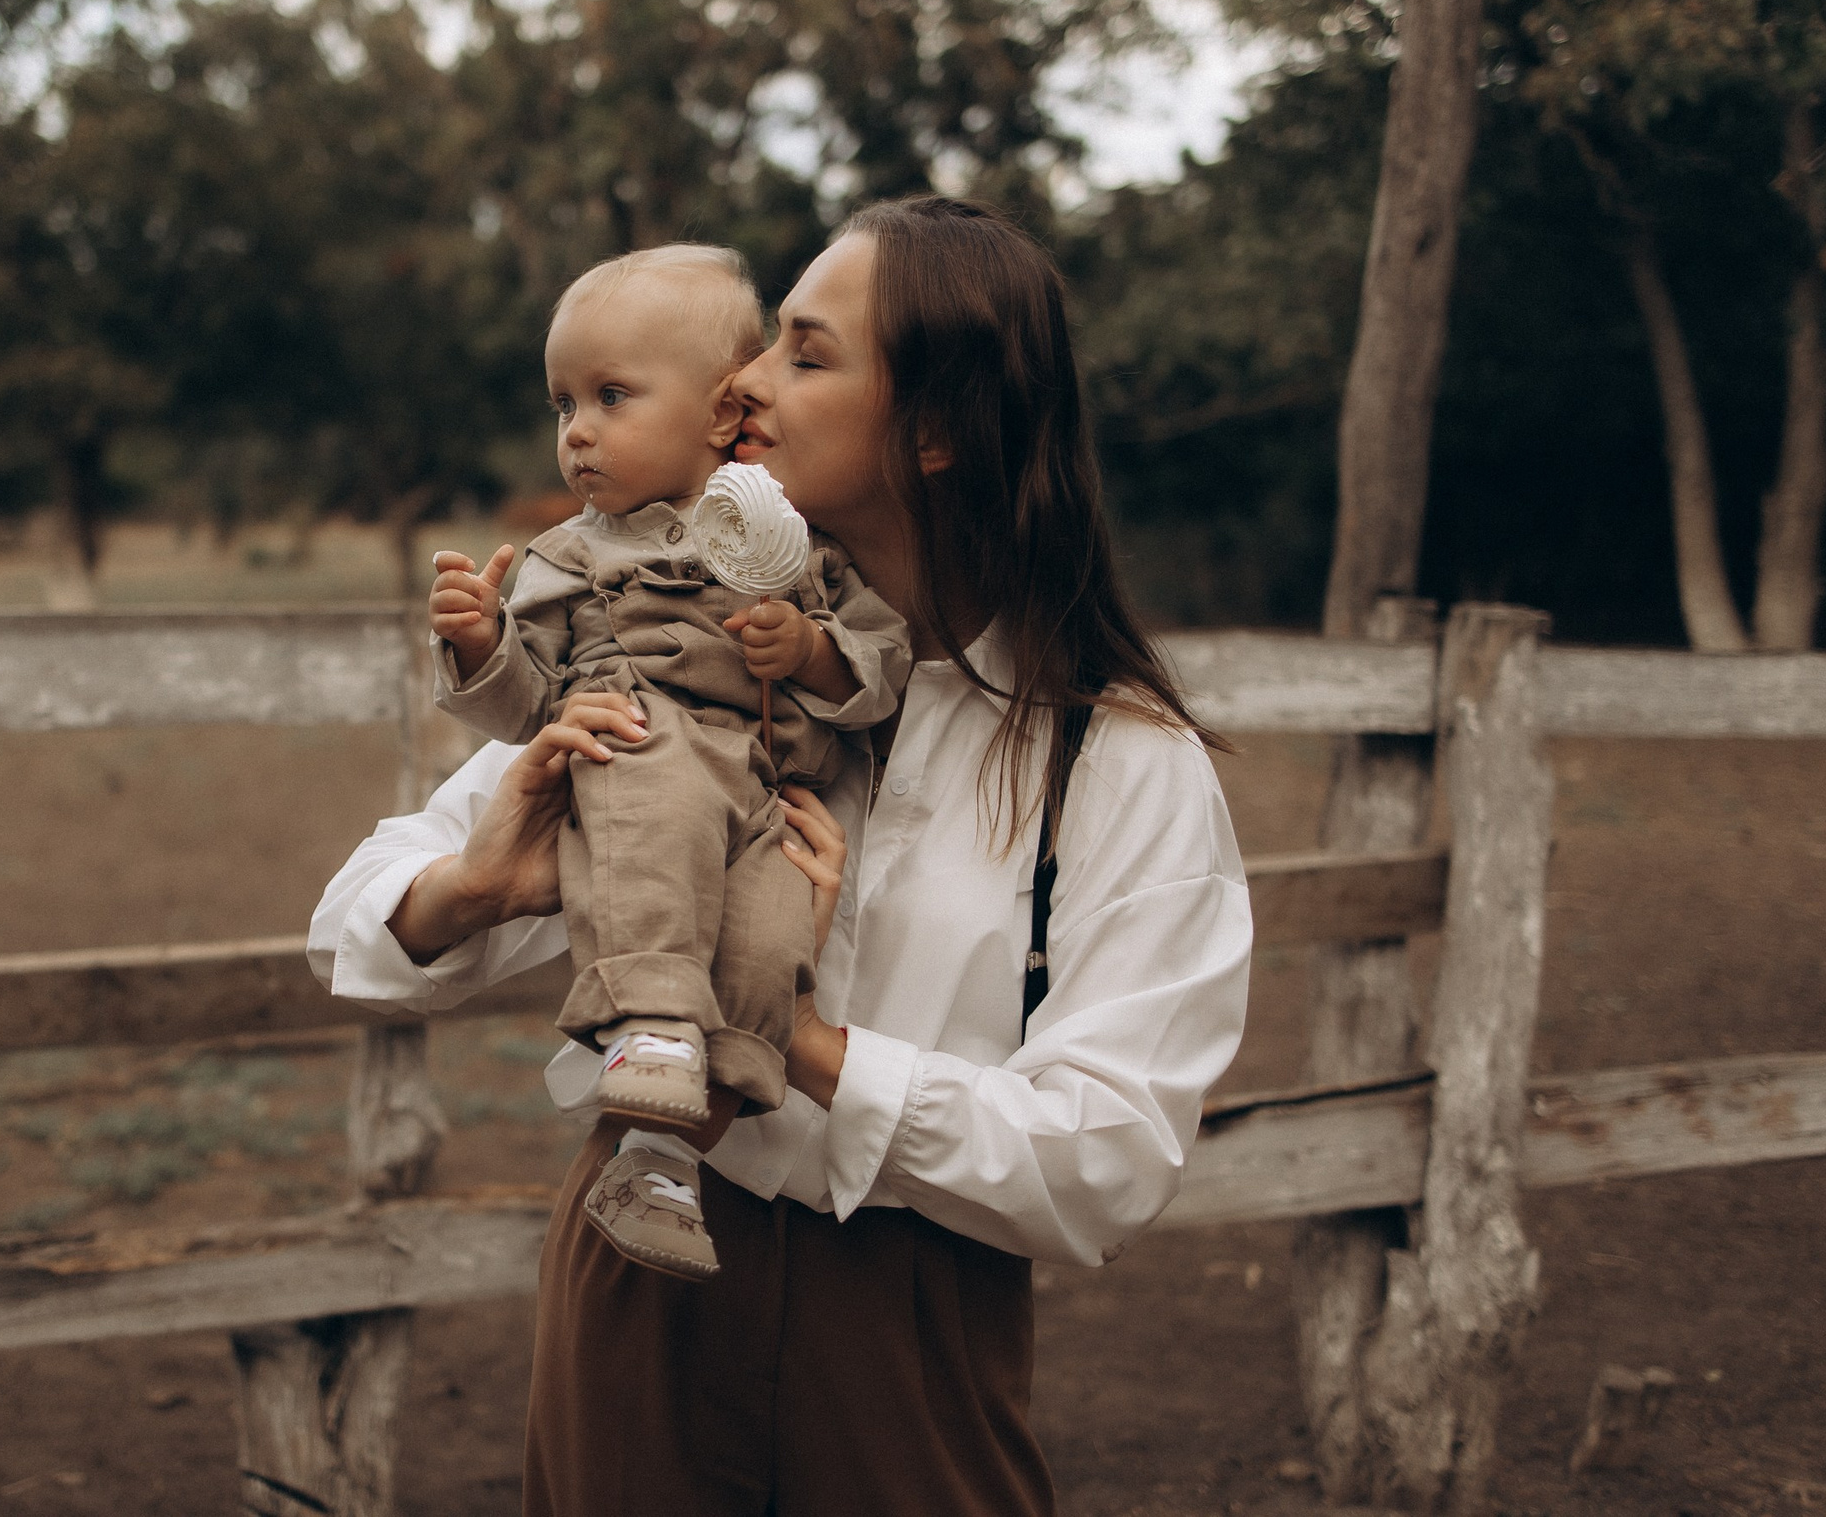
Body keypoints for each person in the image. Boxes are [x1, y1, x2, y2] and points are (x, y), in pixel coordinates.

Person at [308, 196, 1253, 1516]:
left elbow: (1109, 1158)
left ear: (933, 430)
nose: (743, 380)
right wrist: (475, 886)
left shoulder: (1114, 760)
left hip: (910, 1330)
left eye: (807, 355)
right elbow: (355, 934)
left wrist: (797, 1038)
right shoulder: (666, 639)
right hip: (631, 1296)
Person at [425, 243, 911, 1280]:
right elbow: (523, 707)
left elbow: (878, 661)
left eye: (610, 396)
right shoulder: (572, 553)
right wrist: (480, 646)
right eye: (562, 405)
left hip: (771, 788)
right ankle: (647, 1017)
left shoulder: (794, 541)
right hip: (636, 737)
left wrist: (811, 649)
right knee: (654, 819)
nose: (580, 432)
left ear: (720, 411)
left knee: (771, 937)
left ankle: (661, 1157)